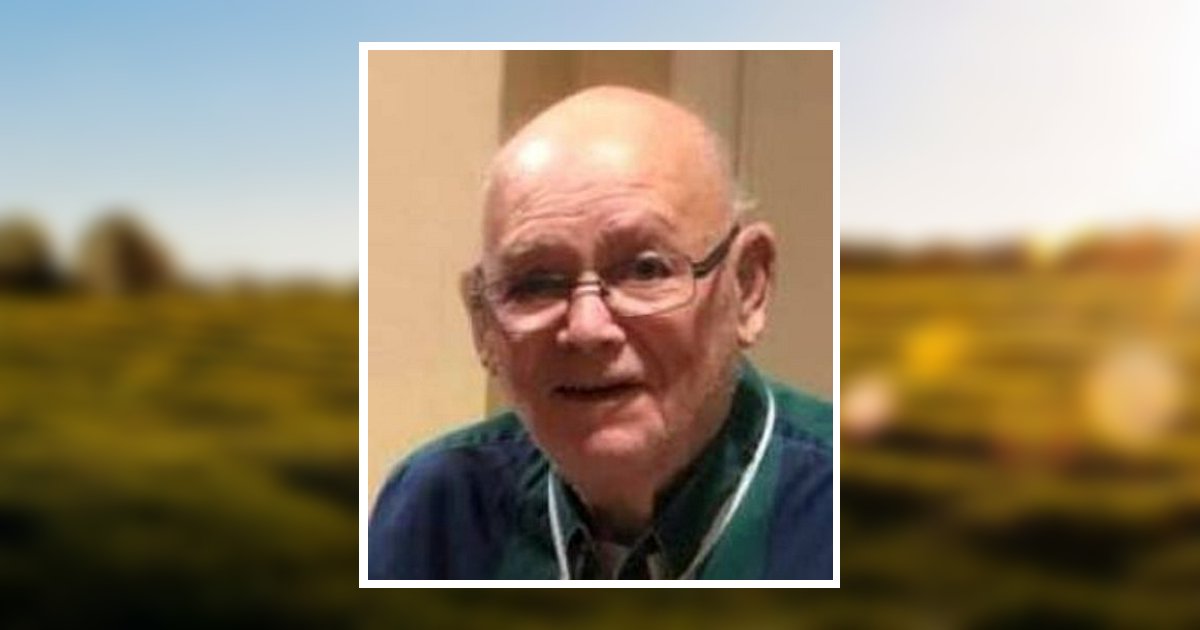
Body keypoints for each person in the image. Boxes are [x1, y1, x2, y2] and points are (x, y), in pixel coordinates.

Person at [369, 86, 832, 580]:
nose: (587, 329)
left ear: (748, 286)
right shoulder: (438, 511)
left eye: (645, 269)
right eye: (535, 283)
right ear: (483, 323)